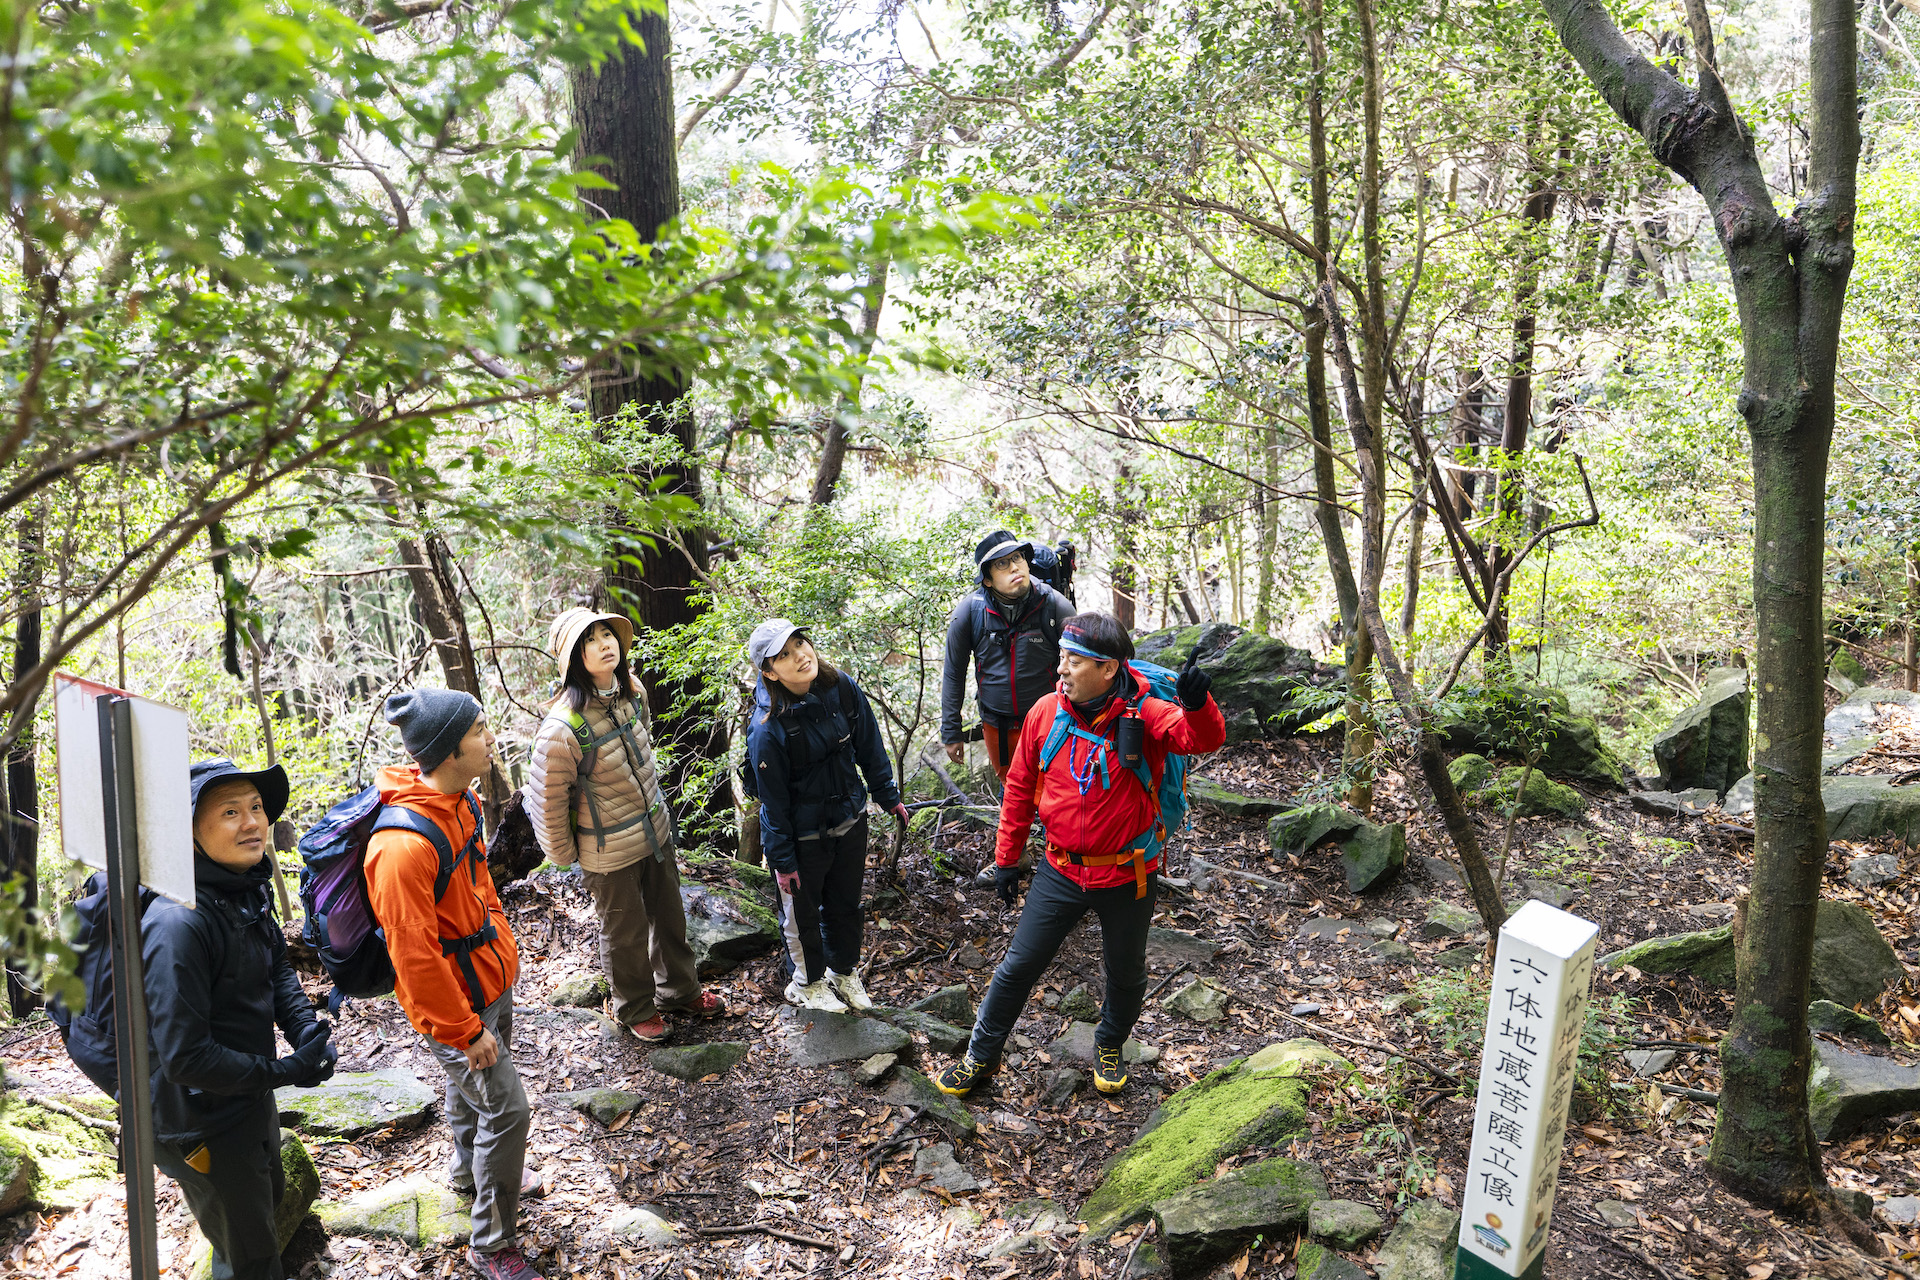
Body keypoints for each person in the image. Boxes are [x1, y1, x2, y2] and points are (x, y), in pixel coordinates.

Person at [934, 612, 1224, 1099]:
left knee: (1127, 972)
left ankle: (1109, 1044)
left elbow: (1200, 738)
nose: (1061, 669)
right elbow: (1020, 788)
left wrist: (1199, 705)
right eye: (1061, 657)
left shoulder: (1146, 713)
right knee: (1018, 967)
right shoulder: (1046, 712)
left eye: (1074, 660)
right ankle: (981, 1056)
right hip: (1061, 869)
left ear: (1109, 668)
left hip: (1130, 872)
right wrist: (1007, 859)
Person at [365, 689, 540, 1280]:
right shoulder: (400, 849)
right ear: (446, 751)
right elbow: (413, 957)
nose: (490, 738)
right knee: (508, 1112)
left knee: (477, 1099)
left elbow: (479, 883)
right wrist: (464, 1032)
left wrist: (503, 946)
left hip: (487, 978)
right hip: (455, 1006)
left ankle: (473, 1177)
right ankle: (491, 1244)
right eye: (480, 731)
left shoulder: (458, 801)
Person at [145, 759, 337, 1280]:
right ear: (187, 831)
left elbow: (274, 965)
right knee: (248, 1256)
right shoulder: (178, 924)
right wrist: (286, 1071)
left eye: (256, 807)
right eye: (230, 811)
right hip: (199, 1120)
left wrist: (306, 1033)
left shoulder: (240, 885)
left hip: (245, 1095)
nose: (253, 822)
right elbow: (185, 1057)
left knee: (267, 1202)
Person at [525, 608, 725, 1043]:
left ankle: (680, 991)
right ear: (573, 658)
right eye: (590, 639)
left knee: (670, 915)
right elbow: (548, 801)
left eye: (607, 634)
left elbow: (644, 752)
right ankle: (635, 1008)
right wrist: (565, 856)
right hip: (607, 851)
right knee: (625, 933)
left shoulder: (631, 692)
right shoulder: (561, 729)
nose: (605, 644)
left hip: (654, 832)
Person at [745, 619, 910, 1013]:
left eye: (800, 643)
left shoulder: (840, 687)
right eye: (784, 654)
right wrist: (782, 862)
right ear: (769, 672)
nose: (800, 655)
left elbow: (869, 742)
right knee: (801, 917)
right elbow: (774, 804)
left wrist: (887, 795)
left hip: (850, 819)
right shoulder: (767, 730)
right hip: (803, 838)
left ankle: (842, 971)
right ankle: (807, 983)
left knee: (845, 904)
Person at [940, 530, 1075, 781]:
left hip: (1049, 722)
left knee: (1054, 791)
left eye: (1018, 558)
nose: (1015, 567)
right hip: (997, 726)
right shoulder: (970, 612)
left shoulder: (1055, 605)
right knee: (1012, 789)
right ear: (987, 579)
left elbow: (1081, 664)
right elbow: (953, 672)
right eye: (1002, 563)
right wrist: (951, 732)